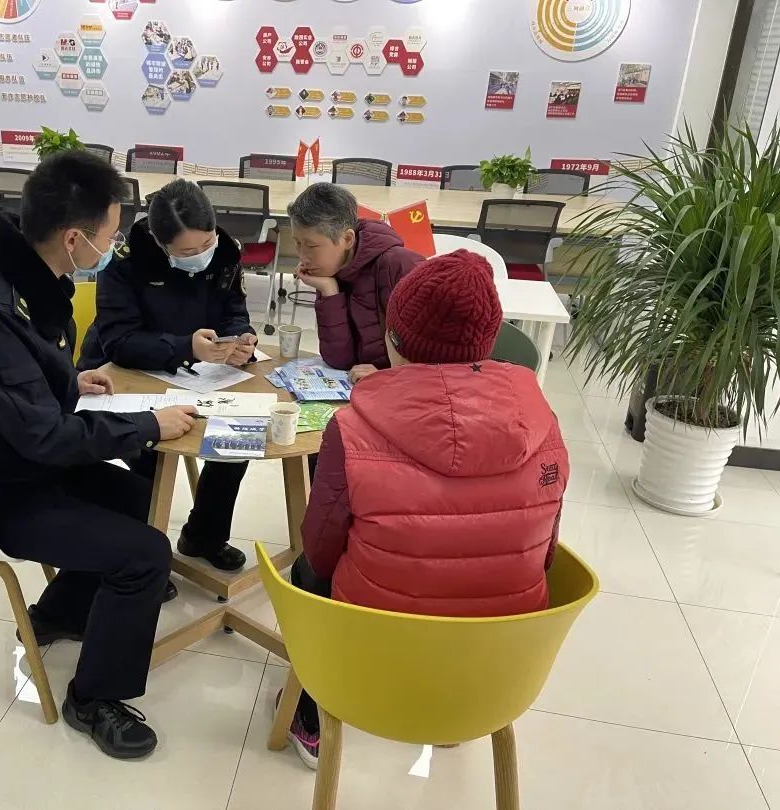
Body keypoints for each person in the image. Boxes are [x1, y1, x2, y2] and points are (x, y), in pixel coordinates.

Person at [0, 150, 200, 761]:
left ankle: (60, 612)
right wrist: (146, 426)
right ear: (74, 238)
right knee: (146, 555)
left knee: (138, 498)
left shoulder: (25, 272)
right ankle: (94, 698)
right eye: (110, 235)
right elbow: (44, 437)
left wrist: (70, 381)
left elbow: (16, 387)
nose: (113, 247)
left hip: (15, 460)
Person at [279, 250, 569, 769]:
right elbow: (545, 552)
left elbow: (320, 551)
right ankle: (448, 712)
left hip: (374, 646)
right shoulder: (543, 419)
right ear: (487, 342)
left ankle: (311, 713)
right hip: (498, 659)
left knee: (305, 575)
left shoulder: (350, 429)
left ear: (393, 339)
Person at [79, 179, 257, 571]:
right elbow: (119, 342)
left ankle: (203, 536)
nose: (201, 256)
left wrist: (240, 338)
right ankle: (144, 560)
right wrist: (185, 346)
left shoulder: (226, 249)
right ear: (161, 244)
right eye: (188, 252)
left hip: (198, 375)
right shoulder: (123, 261)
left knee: (237, 443)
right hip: (123, 375)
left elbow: (234, 308)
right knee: (151, 456)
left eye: (206, 244)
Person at [287, 182, 424, 382]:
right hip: (361, 387)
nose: (302, 256)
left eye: (311, 245)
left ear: (347, 239)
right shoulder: (330, 270)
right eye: (297, 243)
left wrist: (388, 377)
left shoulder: (402, 266)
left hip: (402, 388)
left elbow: (441, 361)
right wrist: (329, 291)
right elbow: (339, 360)